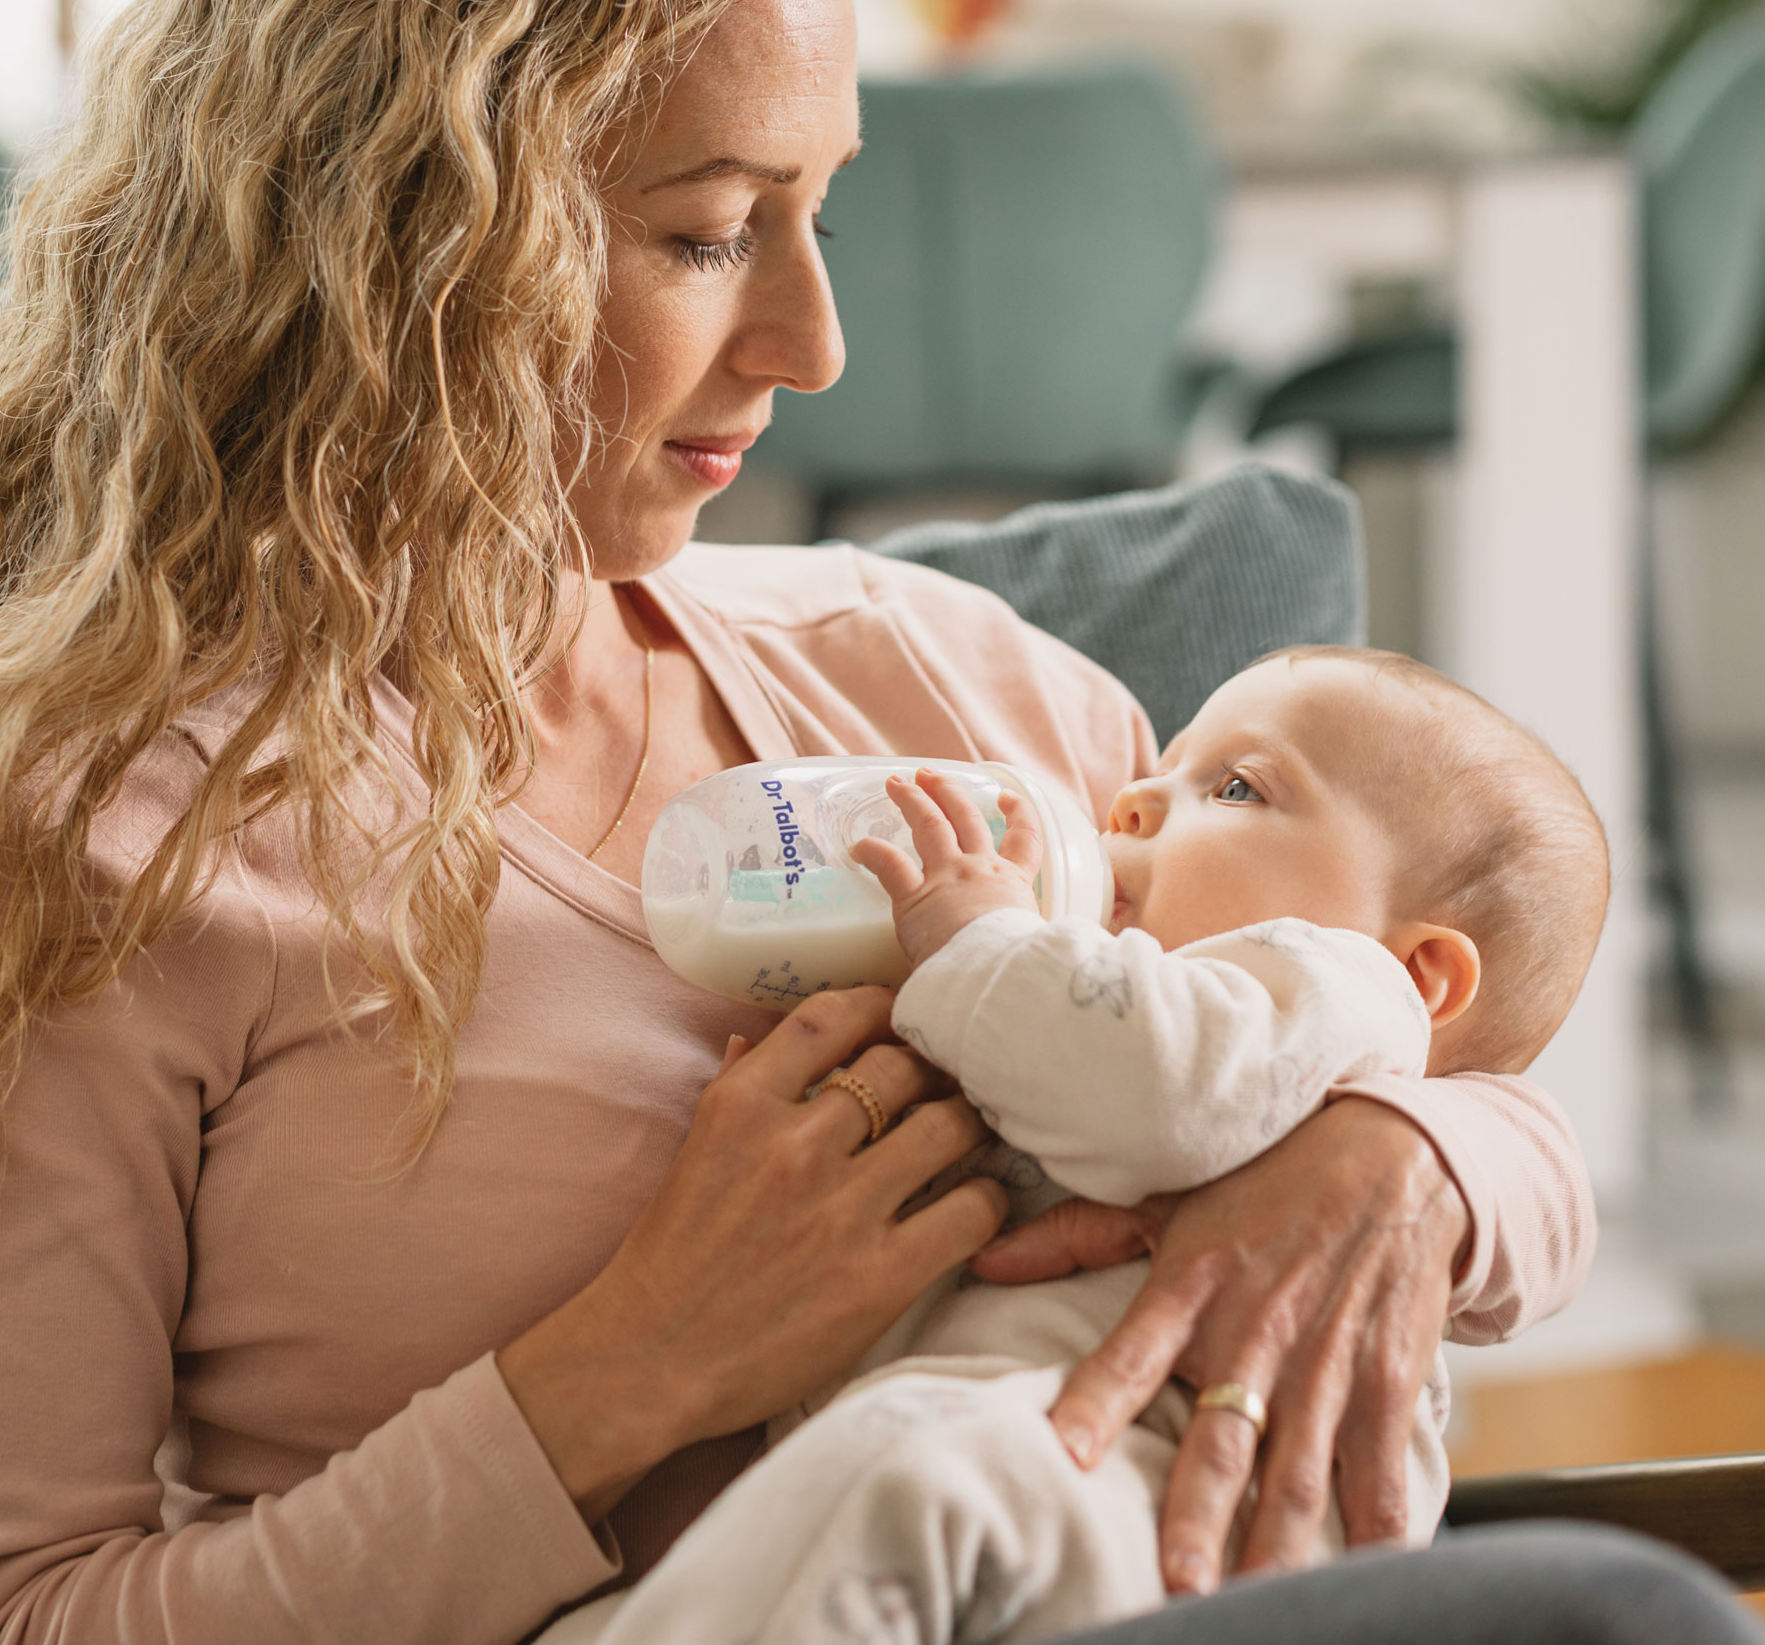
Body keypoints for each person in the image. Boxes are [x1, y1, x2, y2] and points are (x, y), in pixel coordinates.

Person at [0, 0, 1629, 1645]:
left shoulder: (944, 682)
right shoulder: (100, 849)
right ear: (406, 238)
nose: (814, 341)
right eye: (709, 230)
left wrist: (1398, 1159)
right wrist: (626, 1370)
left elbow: (1448, 1022)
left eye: (820, 210)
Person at [571, 647, 1608, 1642]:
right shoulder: (1115, 995)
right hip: (1032, 1481)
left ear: (1420, 972)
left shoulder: (1336, 987)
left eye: (1239, 788)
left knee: (902, 1472)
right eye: (1159, 773)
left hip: (1166, 1497)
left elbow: (1162, 1092)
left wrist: (976, 937)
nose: (1131, 803)